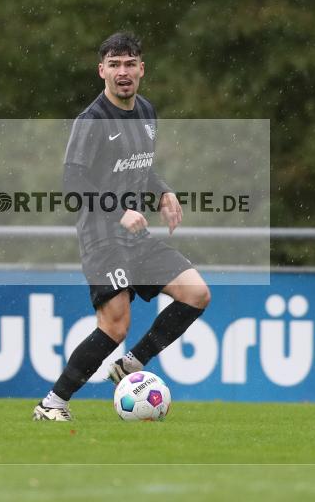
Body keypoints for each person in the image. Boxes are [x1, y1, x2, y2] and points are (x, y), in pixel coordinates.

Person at [33, 32, 211, 421]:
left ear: (142, 69)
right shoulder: (91, 121)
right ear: (102, 72)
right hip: (102, 237)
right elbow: (73, 183)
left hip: (137, 236)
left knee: (196, 293)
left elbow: (139, 166)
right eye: (114, 65)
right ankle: (52, 404)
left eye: (129, 63)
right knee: (115, 325)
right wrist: (118, 211)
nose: (122, 72)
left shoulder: (146, 112)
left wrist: (162, 191)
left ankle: (132, 364)